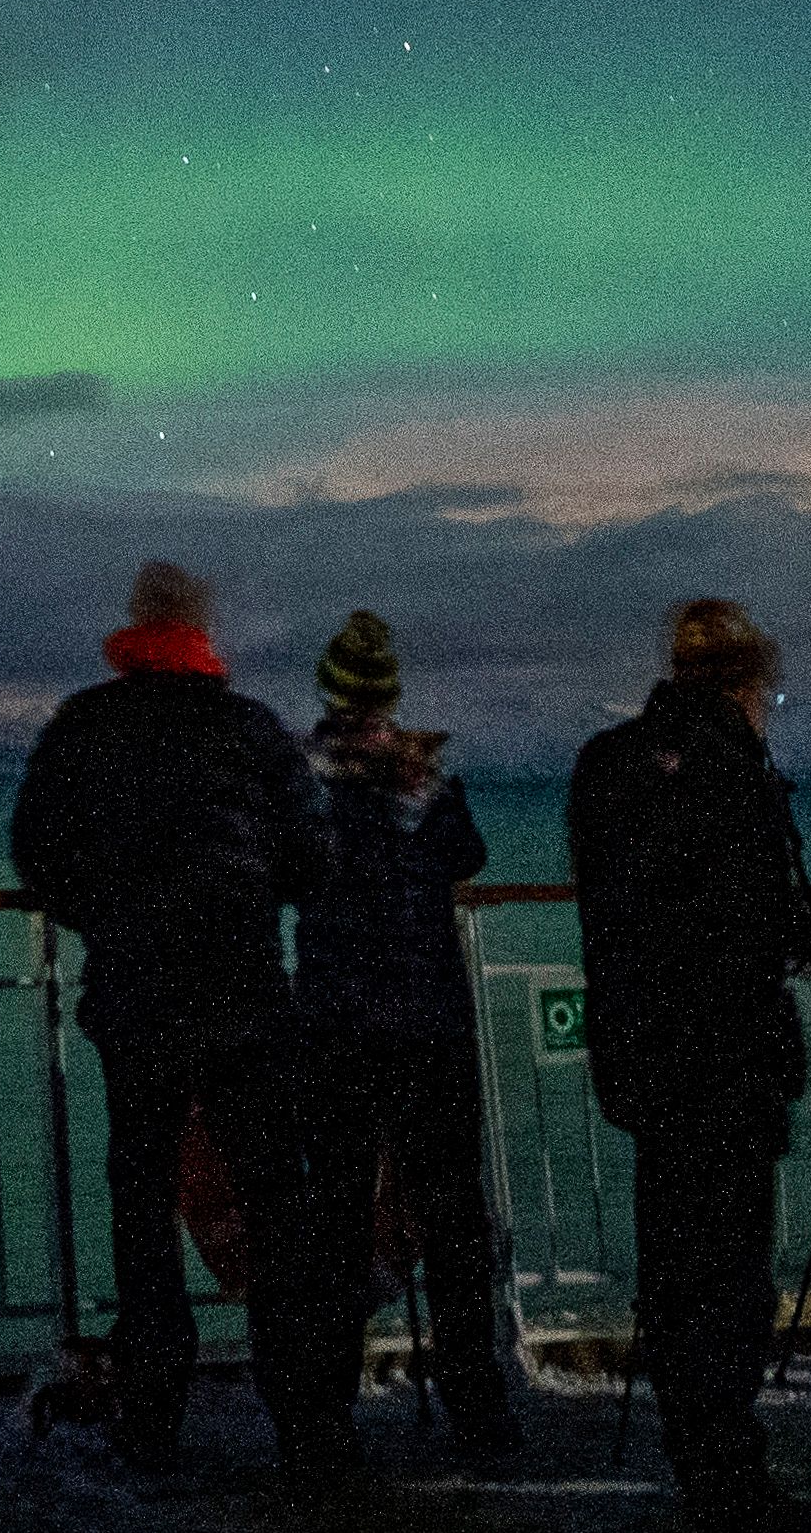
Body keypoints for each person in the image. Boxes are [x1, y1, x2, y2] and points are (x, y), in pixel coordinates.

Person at [9, 563, 351, 1496]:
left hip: (137, 1002)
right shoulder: (249, 728)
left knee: (142, 1200)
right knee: (280, 1207)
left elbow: (36, 850)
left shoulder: (87, 725)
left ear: (134, 625)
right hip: (243, 999)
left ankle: (153, 1410)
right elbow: (315, 859)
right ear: (204, 630)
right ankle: (310, 1423)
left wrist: (107, 914)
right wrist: (246, 891)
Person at [569, 595, 811, 1533]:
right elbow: (754, 921)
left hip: (642, 1055)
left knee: (675, 1262)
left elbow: (611, 913)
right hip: (725, 1058)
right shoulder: (737, 772)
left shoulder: (604, 764)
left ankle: (693, 1450)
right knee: (729, 1276)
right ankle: (727, 1479)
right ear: (745, 680)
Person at [298, 608, 519, 1467]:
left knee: (340, 1219)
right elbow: (470, 854)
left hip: (336, 1026)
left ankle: (326, 1413)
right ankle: (477, 1402)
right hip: (428, 1023)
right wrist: (421, 785)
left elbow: (289, 867)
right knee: (452, 1217)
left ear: (328, 691)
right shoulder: (422, 780)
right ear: (391, 696)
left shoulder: (303, 782)